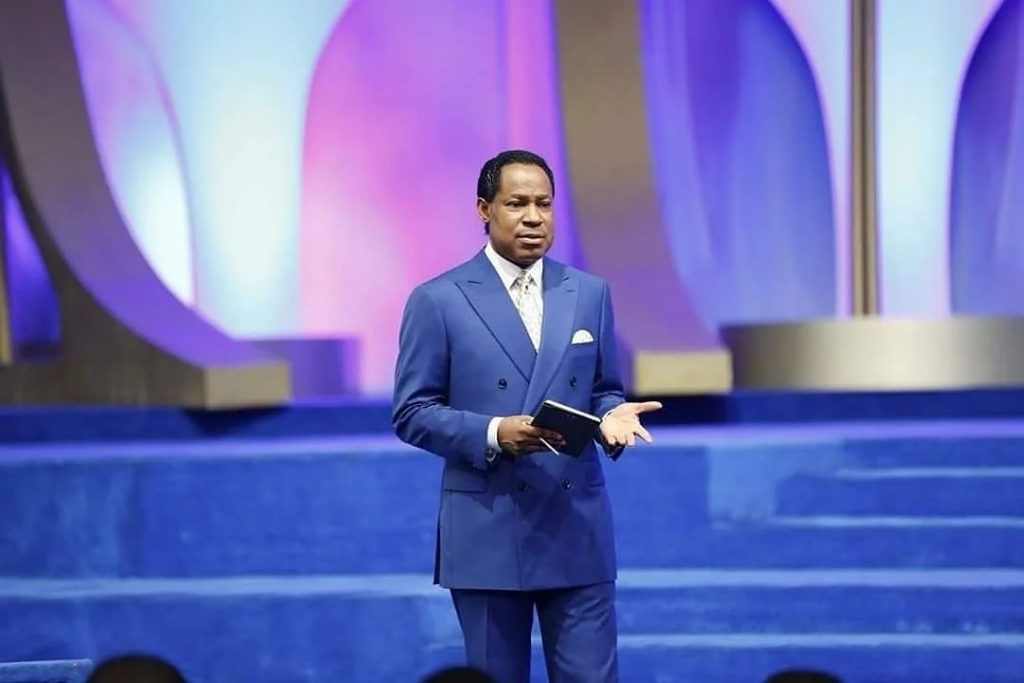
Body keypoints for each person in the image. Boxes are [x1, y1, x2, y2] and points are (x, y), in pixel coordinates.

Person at [393, 149, 661, 682]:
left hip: (575, 523)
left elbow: (603, 389)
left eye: (544, 203)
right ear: (484, 209)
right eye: (517, 203)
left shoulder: (588, 294)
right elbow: (412, 411)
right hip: (487, 526)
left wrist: (611, 417)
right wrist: (495, 432)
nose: (534, 217)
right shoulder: (438, 300)